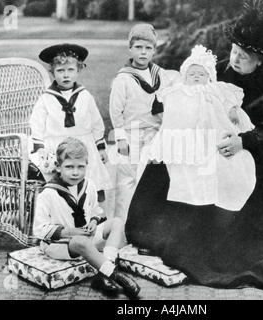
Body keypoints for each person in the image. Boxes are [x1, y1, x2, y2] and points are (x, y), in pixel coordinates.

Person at [125, 1, 263, 290]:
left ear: (260, 60)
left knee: (237, 228)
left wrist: (242, 141)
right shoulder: (220, 70)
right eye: (234, 51)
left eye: (244, 56)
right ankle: (150, 230)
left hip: (262, 156)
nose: (235, 59)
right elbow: (192, 91)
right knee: (169, 158)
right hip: (218, 143)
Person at [148, 44, 256, 211]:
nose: (196, 77)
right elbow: (169, 111)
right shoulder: (180, 90)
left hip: (213, 129)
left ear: (209, 77)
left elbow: (228, 98)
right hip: (187, 131)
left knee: (215, 160)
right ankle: (191, 196)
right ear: (185, 77)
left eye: (201, 74)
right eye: (192, 74)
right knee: (187, 165)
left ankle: (216, 194)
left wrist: (232, 109)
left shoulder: (214, 88)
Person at [33, 137, 140, 298]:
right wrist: (69, 232)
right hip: (59, 244)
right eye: (69, 167)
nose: (75, 172)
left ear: (86, 165)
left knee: (117, 222)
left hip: (85, 236)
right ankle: (115, 274)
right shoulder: (48, 193)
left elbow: (95, 209)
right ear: (58, 167)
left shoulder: (89, 185)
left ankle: (104, 273)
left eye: (80, 167)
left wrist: (93, 221)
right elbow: (39, 230)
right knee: (80, 241)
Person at [109, 23, 181, 222]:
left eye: (148, 48)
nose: (143, 52)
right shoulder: (123, 78)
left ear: (154, 50)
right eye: (138, 47)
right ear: (130, 49)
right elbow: (116, 111)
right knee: (127, 180)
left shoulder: (161, 75)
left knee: (152, 179)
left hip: (155, 135)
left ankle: (147, 224)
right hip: (131, 134)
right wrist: (121, 138)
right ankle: (122, 225)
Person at [30, 43, 112, 203]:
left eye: (70, 70)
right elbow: (37, 124)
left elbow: (96, 122)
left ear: (78, 70)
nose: (65, 75)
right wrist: (41, 151)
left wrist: (100, 146)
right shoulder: (46, 98)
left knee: (90, 183)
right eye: (60, 71)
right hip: (57, 145)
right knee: (61, 190)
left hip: (84, 144)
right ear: (53, 72)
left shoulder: (85, 96)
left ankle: (93, 217)